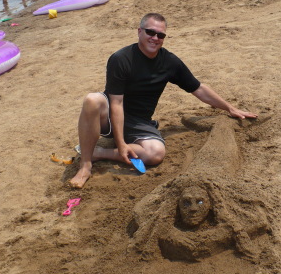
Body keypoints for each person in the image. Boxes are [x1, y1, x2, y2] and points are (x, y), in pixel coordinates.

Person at [69, 13, 258, 189]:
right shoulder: (121, 59)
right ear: (139, 32)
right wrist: (120, 143)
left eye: (161, 35)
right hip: (110, 114)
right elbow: (116, 104)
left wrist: (230, 108)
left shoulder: (169, 62)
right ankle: (85, 165)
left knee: (156, 153)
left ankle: (98, 153)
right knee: (92, 100)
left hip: (140, 121)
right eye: (150, 32)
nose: (155, 38)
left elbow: (198, 88)